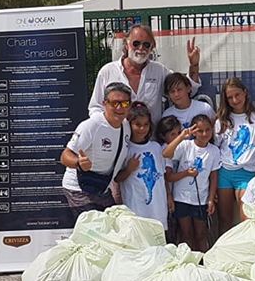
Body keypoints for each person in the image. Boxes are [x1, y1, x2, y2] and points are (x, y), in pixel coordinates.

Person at [89, 24, 201, 123]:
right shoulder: (107, 72)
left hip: (151, 143)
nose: (141, 48)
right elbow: (95, 108)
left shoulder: (159, 71)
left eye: (146, 45)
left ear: (152, 47)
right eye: (136, 43)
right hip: (118, 142)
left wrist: (194, 65)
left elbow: (189, 89)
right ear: (126, 44)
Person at [59, 82, 132, 218]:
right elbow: (65, 156)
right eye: (114, 103)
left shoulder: (126, 127)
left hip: (101, 187)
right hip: (79, 187)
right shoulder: (92, 125)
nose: (119, 108)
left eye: (124, 103)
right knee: (93, 231)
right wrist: (79, 163)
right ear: (105, 103)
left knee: (112, 226)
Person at [214, 77, 255, 231]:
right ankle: (224, 252)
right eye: (230, 97)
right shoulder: (221, 120)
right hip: (224, 173)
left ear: (245, 93)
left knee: (247, 220)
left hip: (248, 173)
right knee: (224, 221)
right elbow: (213, 151)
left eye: (237, 95)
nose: (235, 100)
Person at [162, 114, 221, 252]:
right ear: (194, 132)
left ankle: (203, 263)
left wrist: (211, 199)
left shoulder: (214, 151)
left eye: (207, 130)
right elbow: (166, 153)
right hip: (181, 198)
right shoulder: (185, 145)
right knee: (186, 234)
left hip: (200, 199)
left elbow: (214, 177)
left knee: (201, 234)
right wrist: (182, 136)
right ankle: (189, 262)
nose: (204, 134)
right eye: (200, 131)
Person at [115, 103, 169, 231]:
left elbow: (163, 175)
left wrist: (169, 197)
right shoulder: (125, 149)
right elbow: (117, 178)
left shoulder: (156, 147)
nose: (142, 128)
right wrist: (129, 169)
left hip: (158, 209)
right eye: (138, 125)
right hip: (136, 209)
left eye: (146, 124)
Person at [155, 115, 182, 243]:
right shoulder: (164, 149)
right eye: (172, 134)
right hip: (168, 197)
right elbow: (168, 176)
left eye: (179, 133)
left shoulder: (182, 147)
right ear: (163, 136)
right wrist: (169, 195)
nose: (177, 137)